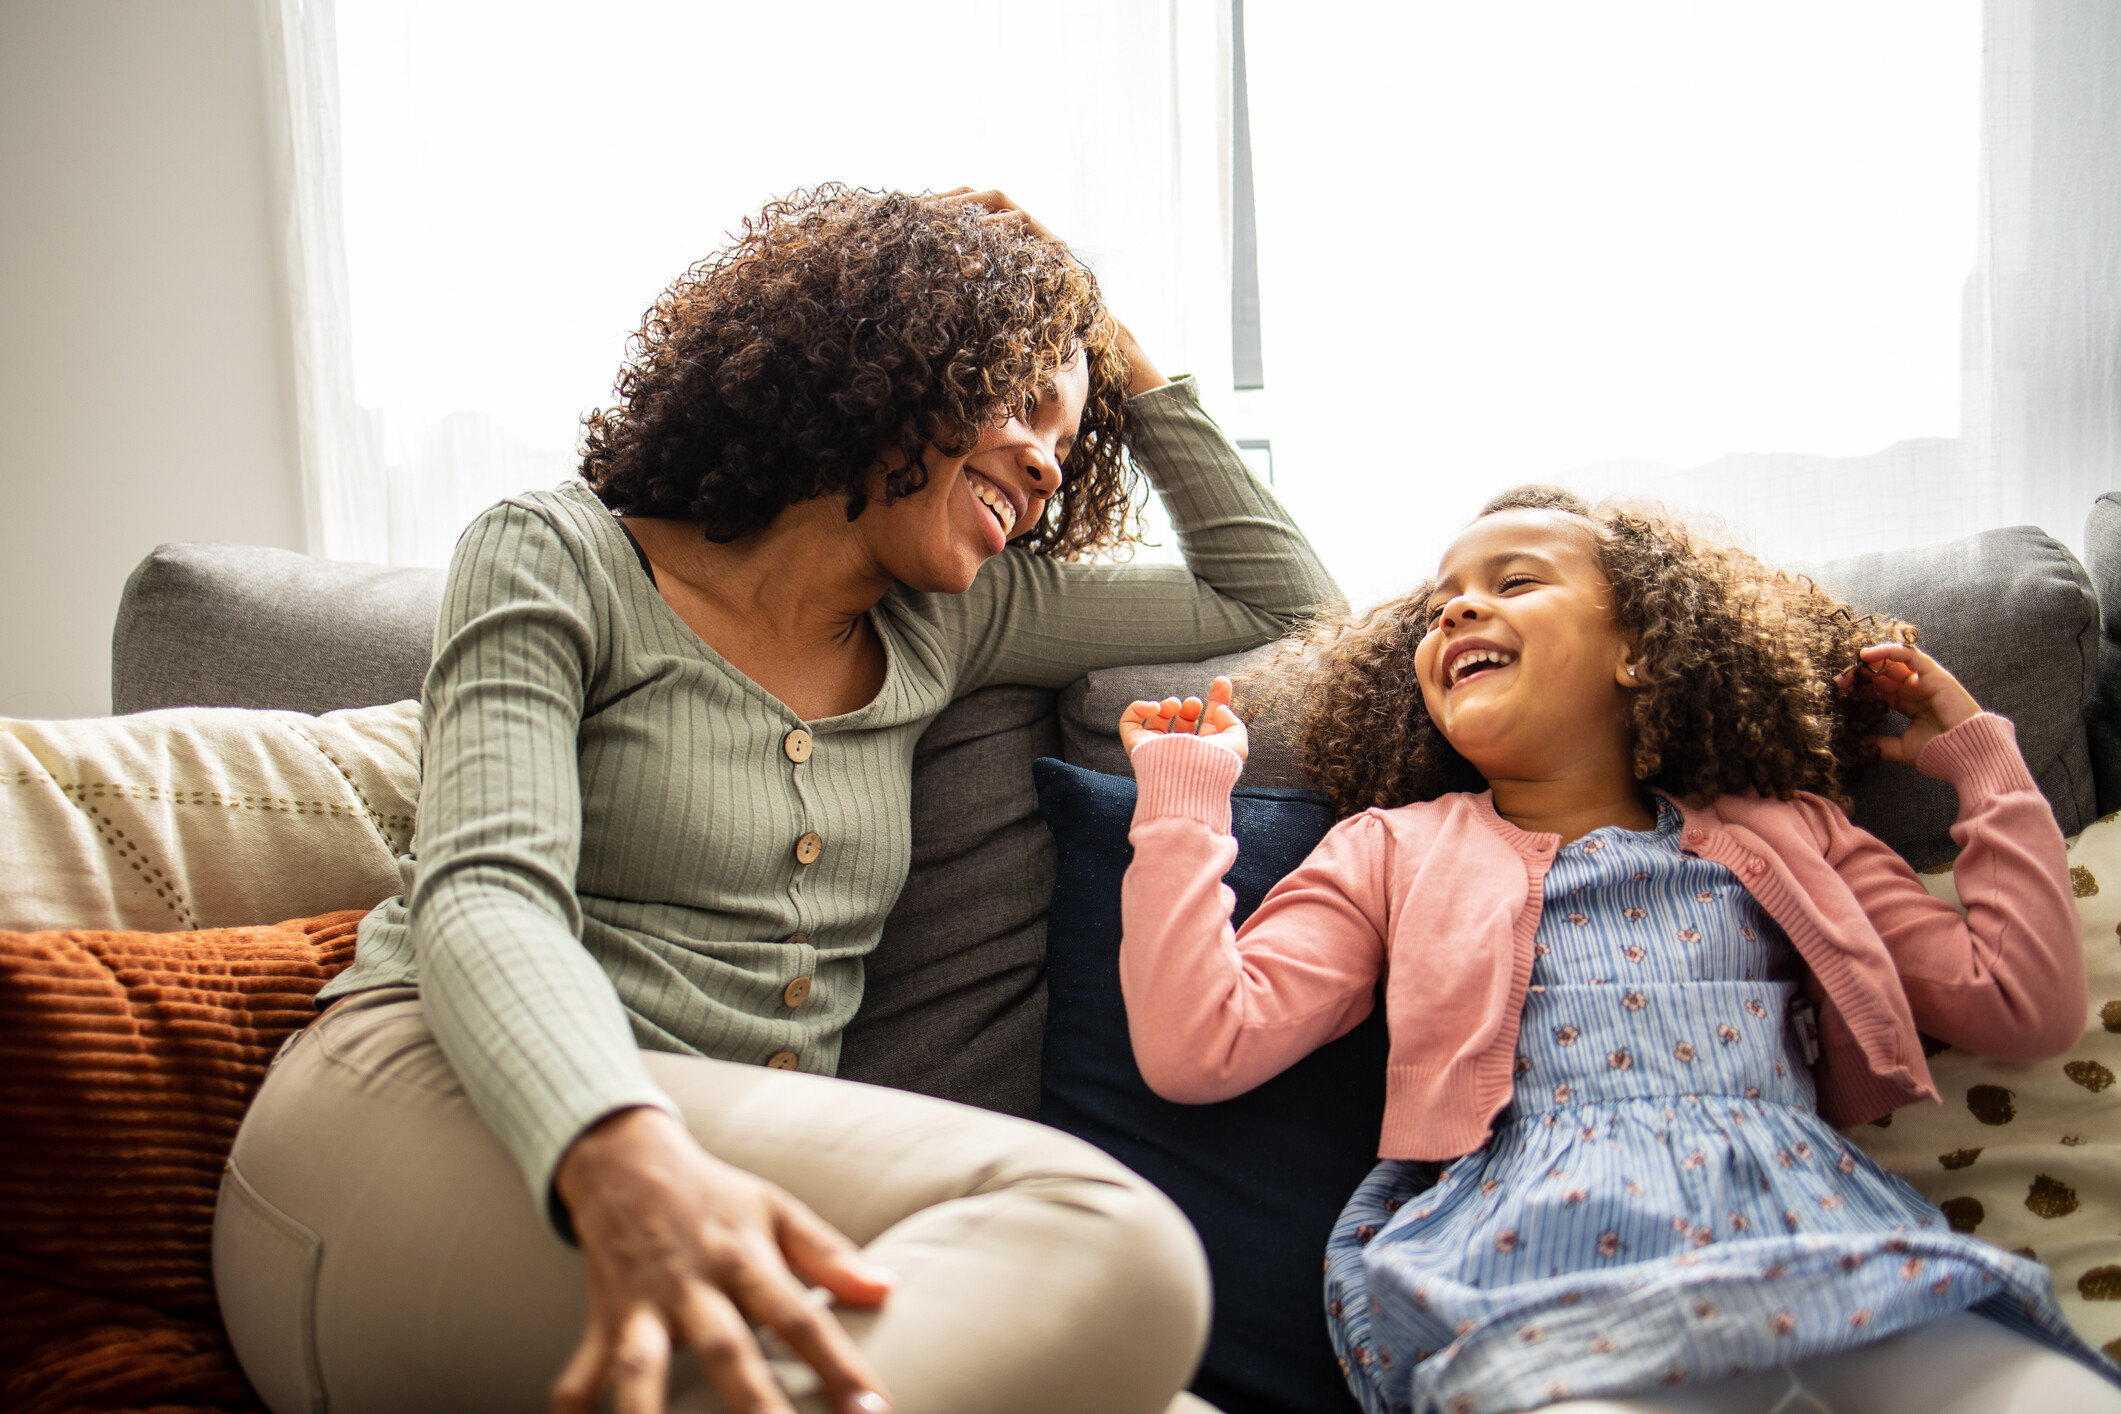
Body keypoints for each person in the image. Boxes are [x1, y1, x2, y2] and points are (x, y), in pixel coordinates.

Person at [211, 185, 1343, 1414]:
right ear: (894, 356)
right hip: (420, 1126)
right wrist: (621, 1142)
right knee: (1107, 1236)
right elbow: (486, 893)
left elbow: (1284, 604)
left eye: (1067, 441)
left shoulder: (954, 626)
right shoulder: (559, 552)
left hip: (716, 1173)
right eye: (1019, 400)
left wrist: (1103, 337)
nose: (1045, 460)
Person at [1113, 487, 2121, 1414]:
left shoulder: (1791, 830)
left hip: (1814, 1235)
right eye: (1439, 606)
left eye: (1514, 582)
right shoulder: (1392, 847)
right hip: (1547, 1267)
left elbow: (2021, 1003)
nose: (1457, 611)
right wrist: (1183, 803)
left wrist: (1981, 763)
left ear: (1639, 646)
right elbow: (1199, 1045)